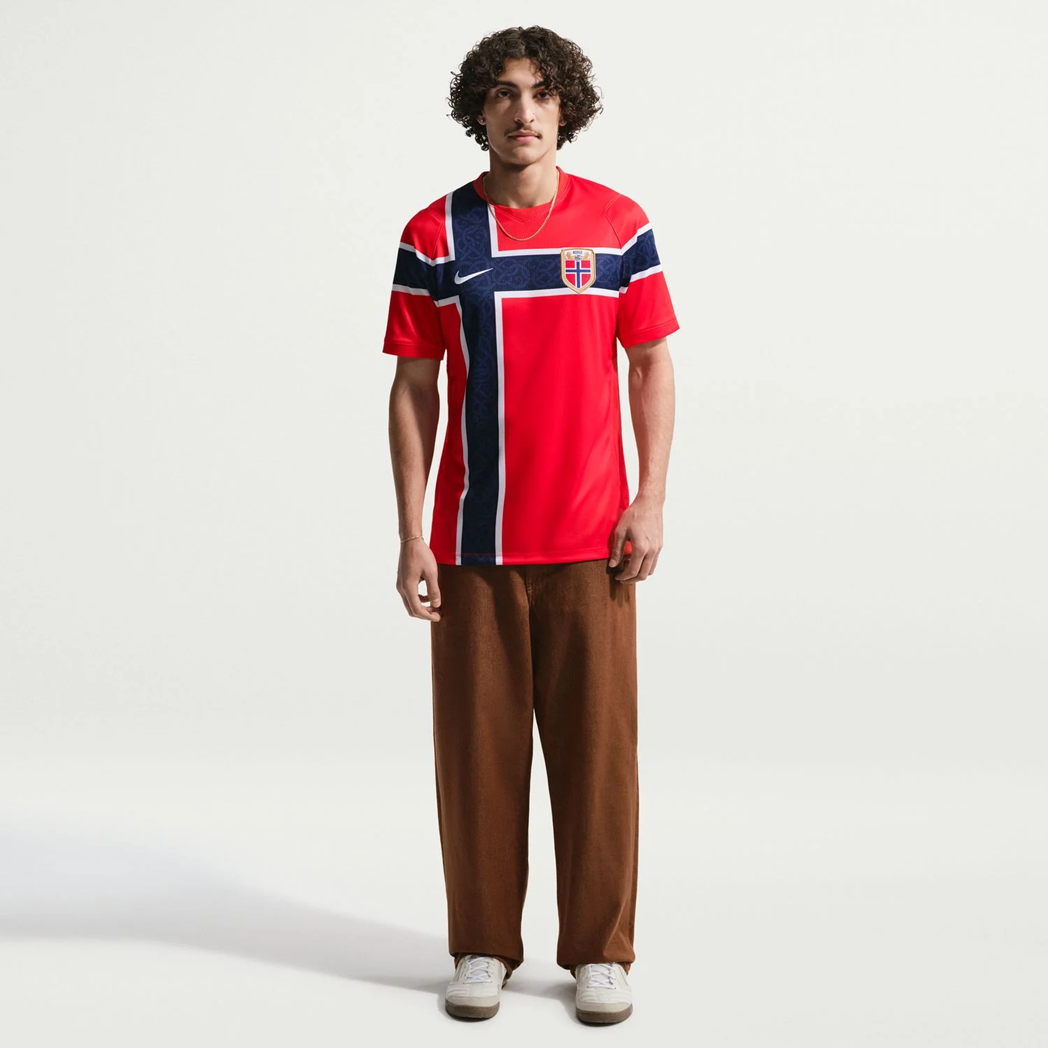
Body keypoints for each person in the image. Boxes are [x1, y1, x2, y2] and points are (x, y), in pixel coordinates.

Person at [382, 25, 677, 1025]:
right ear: (479, 109)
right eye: (504, 93)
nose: (523, 110)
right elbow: (413, 390)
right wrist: (412, 534)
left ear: (566, 109)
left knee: (599, 758)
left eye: (542, 93)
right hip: (473, 545)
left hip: (595, 545)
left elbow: (651, 363)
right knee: (477, 758)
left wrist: (649, 498)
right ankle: (481, 944)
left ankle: (598, 951)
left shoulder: (618, 226)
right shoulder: (435, 234)